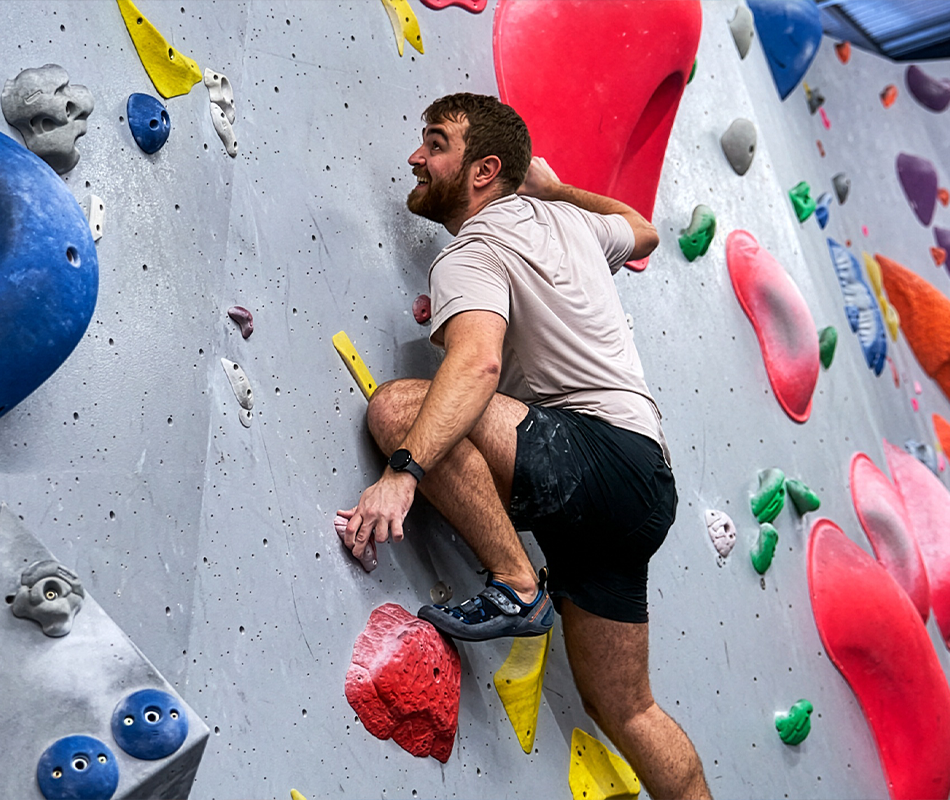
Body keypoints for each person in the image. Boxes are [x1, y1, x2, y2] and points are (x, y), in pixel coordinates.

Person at [338, 93, 711, 799]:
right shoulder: (570, 221)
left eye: (435, 143)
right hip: (643, 482)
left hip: (593, 455)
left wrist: (404, 473)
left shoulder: (473, 252)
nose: (416, 157)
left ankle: (515, 583)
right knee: (625, 707)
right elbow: (642, 230)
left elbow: (476, 366)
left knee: (400, 410)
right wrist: (554, 186)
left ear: (483, 171)